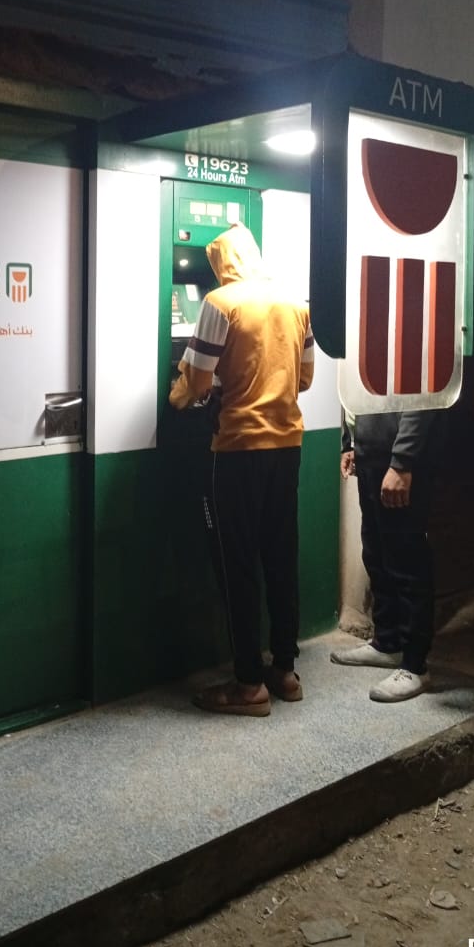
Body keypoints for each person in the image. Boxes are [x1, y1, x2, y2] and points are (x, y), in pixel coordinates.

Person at [169, 223, 314, 716]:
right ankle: (285, 671)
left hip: (236, 448)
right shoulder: (296, 303)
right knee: (281, 555)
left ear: (220, 263)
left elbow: (197, 381)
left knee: (238, 564)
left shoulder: (220, 303)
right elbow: (305, 377)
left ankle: (249, 683)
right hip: (287, 446)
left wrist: (178, 395)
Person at [333, 410, 446, 701]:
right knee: (376, 553)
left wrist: (403, 461)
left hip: (398, 458)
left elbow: (421, 400)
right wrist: (350, 442)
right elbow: (355, 394)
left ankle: (415, 664)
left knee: (406, 558)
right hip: (370, 451)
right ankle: (387, 642)